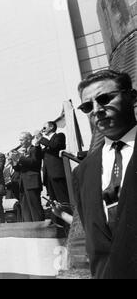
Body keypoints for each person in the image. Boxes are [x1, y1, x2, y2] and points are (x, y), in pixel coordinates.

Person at [73, 70, 137, 279]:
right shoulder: (83, 172)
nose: (96, 110)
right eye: (87, 106)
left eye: (104, 99)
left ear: (132, 96)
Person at [11, 133, 44, 222]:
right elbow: (18, 169)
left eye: (22, 140)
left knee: (34, 206)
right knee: (25, 207)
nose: (20, 142)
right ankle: (28, 225)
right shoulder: (23, 152)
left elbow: (34, 162)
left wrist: (20, 157)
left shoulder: (35, 149)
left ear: (29, 140)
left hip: (32, 182)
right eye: (20, 140)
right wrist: (14, 160)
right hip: (23, 182)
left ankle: (39, 225)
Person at [35, 122, 70, 208]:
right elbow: (39, 156)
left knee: (63, 199)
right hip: (49, 176)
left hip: (57, 173)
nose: (43, 130)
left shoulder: (59, 136)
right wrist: (37, 145)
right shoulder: (46, 143)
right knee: (53, 201)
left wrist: (41, 138)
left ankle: (68, 217)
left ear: (51, 127)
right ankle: (57, 220)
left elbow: (55, 146)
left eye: (44, 127)